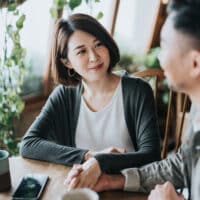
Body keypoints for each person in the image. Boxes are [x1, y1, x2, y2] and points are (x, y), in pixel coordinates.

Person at [65, 1, 200, 199]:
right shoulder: (197, 108)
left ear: (194, 63)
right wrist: (115, 180)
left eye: (164, 47)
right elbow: (182, 165)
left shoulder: (136, 90)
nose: (160, 59)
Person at [20, 13, 161, 189]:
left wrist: (101, 161)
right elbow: (29, 145)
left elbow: (152, 157)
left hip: (129, 189)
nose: (94, 57)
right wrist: (88, 155)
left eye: (98, 45)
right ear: (67, 62)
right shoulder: (64, 95)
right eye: (81, 51)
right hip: (85, 190)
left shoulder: (138, 91)